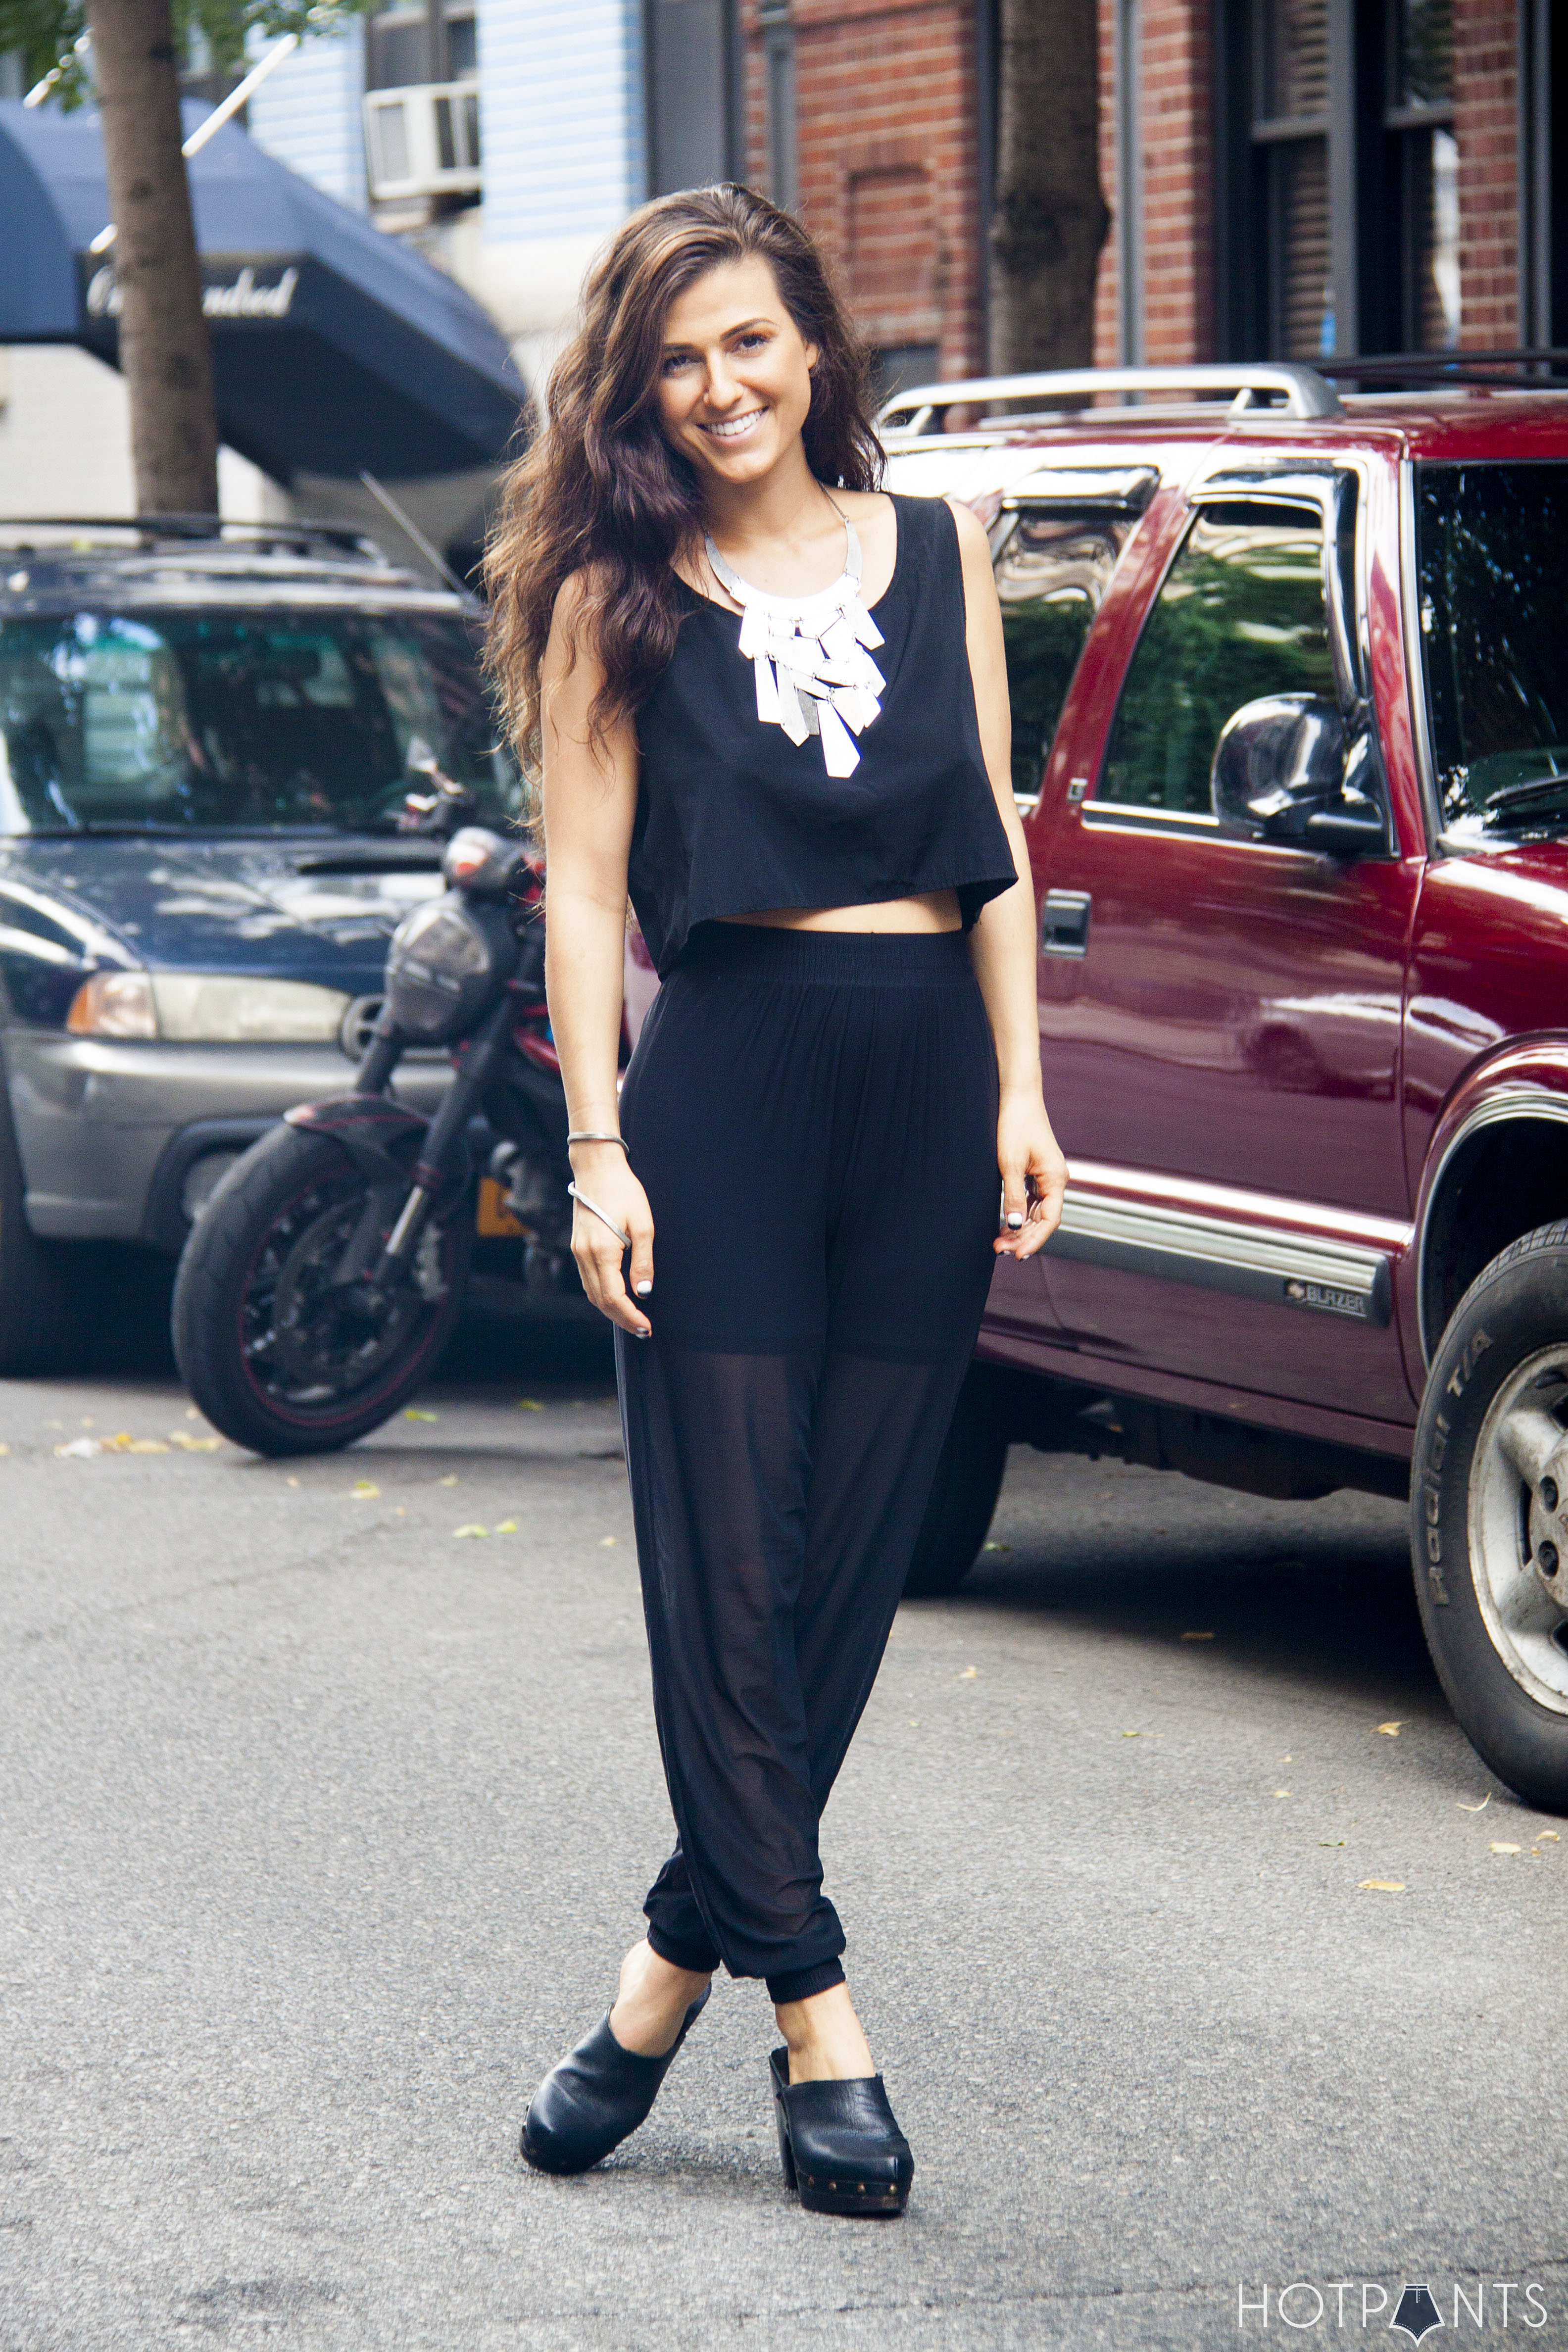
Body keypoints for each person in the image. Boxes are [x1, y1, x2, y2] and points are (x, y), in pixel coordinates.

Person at [485, 183, 1066, 2217]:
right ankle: (817, 2008)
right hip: (723, 1083)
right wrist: (597, 1146)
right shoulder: (610, 600)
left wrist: (1020, 1084)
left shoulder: (940, 548)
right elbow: (578, 890)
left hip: (921, 1081)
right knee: (728, 1569)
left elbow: (990, 824)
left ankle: (661, 1975)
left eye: (749, 341)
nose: (720, 386)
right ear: (639, 393)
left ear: (814, 344)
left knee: (846, 1567)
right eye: (677, 358)